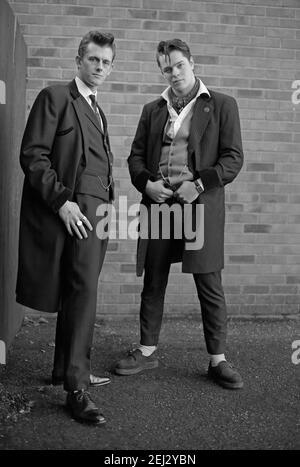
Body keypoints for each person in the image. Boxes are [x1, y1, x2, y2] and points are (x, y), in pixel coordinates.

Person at [115, 38, 244, 390]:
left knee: (209, 282)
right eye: (167, 68)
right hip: (160, 205)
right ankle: (146, 351)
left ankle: (218, 360)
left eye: (179, 65)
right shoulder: (152, 109)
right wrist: (147, 184)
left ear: (192, 62)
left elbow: (233, 159)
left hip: (198, 206)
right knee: (154, 280)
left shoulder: (221, 105)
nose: (173, 73)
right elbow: (136, 158)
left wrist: (199, 185)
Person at [16, 31, 116, 424]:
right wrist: (61, 201)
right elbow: (33, 155)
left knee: (80, 291)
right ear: (79, 60)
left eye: (106, 62)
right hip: (74, 212)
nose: (99, 67)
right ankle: (76, 388)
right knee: (83, 292)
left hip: (99, 215)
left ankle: (65, 369)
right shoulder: (55, 97)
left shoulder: (98, 109)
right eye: (93, 60)